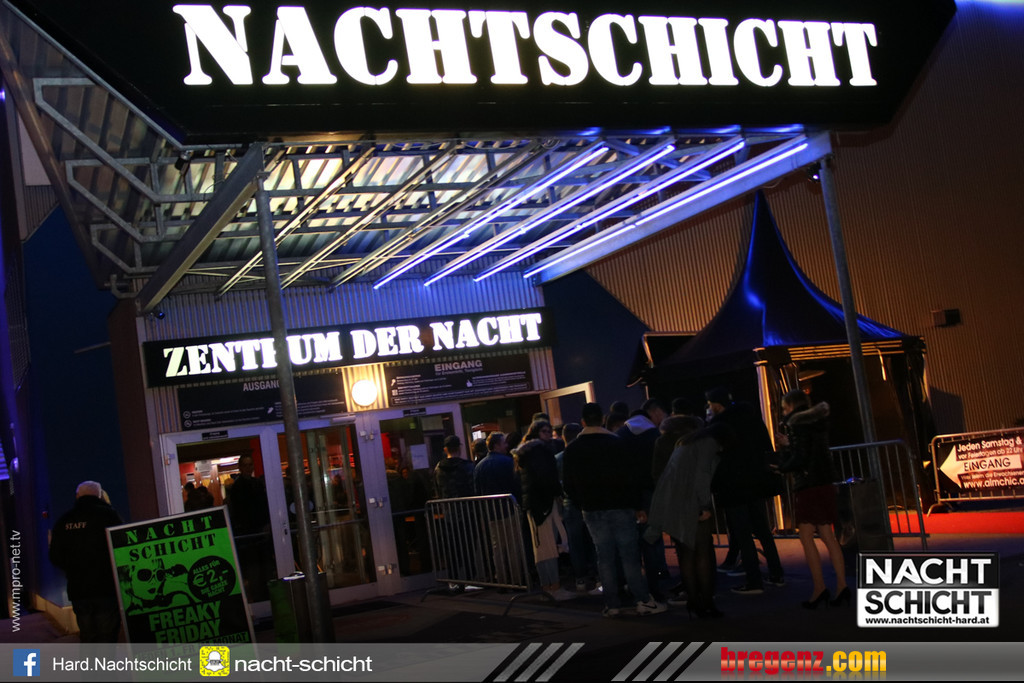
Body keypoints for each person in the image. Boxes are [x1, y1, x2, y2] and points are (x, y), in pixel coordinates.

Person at [563, 402, 666, 617]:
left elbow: (569, 484)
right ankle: (642, 599)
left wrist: (582, 502)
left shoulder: (573, 449)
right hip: (621, 506)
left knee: (604, 557)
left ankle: (612, 604)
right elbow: (631, 477)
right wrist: (637, 505)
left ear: (583, 421)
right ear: (602, 419)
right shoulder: (617, 443)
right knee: (629, 555)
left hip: (592, 508)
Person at [706, 387, 785, 594]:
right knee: (762, 529)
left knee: (742, 533)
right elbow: (766, 446)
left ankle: (753, 580)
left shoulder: (719, 425)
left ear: (716, 405)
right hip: (757, 481)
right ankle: (776, 573)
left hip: (732, 484)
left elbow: (715, 457)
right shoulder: (752, 418)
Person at [775, 389, 849, 609]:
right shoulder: (817, 421)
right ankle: (842, 586)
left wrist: (782, 464)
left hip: (808, 485)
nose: (783, 412)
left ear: (791, 406)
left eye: (784, 408)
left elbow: (801, 457)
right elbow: (812, 450)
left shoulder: (796, 424)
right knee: (828, 535)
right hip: (825, 482)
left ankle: (819, 588)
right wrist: (791, 444)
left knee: (806, 535)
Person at [647, 421, 726, 618]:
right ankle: (706, 603)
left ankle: (694, 601)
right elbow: (702, 476)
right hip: (691, 503)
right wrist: (704, 505)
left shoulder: (685, 443)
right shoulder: (707, 444)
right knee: (703, 553)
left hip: (673, 503)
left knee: (686, 555)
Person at [49, 481, 124, 642]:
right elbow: (122, 547)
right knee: (107, 635)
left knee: (88, 635)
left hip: (78, 588)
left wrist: (73, 568)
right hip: (105, 586)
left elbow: (55, 556)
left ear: (78, 496)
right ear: (99, 495)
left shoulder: (65, 520)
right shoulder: (109, 516)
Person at [617, 399, 671, 600]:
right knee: (651, 539)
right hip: (650, 493)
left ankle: (633, 586)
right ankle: (656, 584)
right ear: (654, 412)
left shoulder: (620, 435)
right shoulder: (654, 435)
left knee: (629, 545)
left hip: (625, 497)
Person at [515, 438, 572, 599]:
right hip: (545, 506)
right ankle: (554, 586)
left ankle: (546, 586)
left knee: (540, 549)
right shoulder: (542, 455)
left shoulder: (523, 458)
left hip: (532, 508)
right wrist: (558, 493)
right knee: (549, 547)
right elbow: (548, 479)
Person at [474, 432, 525, 585]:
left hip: (491, 513)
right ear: (497, 445)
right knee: (513, 546)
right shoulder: (508, 462)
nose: (506, 445)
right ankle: (517, 579)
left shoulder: (479, 466)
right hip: (509, 509)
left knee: (497, 547)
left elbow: (477, 491)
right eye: (504, 443)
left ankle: (502, 579)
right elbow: (516, 485)